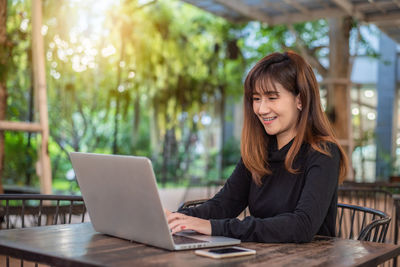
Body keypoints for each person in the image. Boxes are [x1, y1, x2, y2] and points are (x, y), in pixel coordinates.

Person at [165, 51, 348, 243]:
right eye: (256, 98)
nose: (261, 109)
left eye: (272, 97)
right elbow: (224, 205)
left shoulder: (323, 153)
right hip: (263, 257)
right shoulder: (258, 151)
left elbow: (302, 226)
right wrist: (177, 218)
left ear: (300, 99)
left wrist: (214, 227)